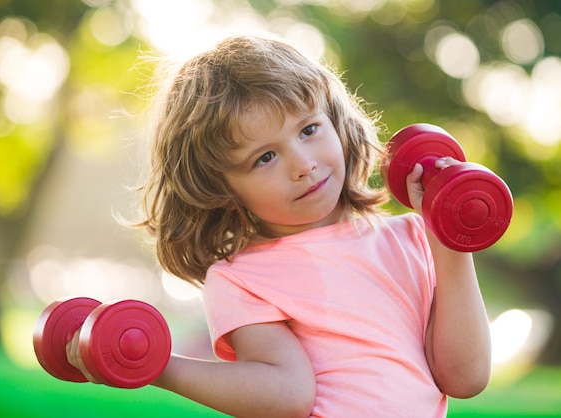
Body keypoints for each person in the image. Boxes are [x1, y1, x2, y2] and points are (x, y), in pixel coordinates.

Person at [68, 33, 491, 417]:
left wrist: (448, 239)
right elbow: (288, 394)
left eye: (309, 129)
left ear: (335, 121)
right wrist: (156, 366)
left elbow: (464, 378)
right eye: (264, 158)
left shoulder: (415, 238)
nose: (303, 165)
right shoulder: (243, 278)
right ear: (220, 190)